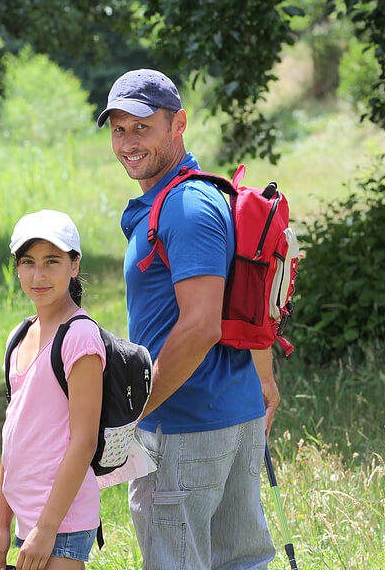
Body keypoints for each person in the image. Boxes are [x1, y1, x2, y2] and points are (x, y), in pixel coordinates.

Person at [96, 69, 279, 569]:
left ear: (178, 124)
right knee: (240, 562)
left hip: (185, 425)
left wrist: (134, 410)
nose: (128, 142)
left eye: (142, 127)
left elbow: (201, 325)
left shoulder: (186, 208)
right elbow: (242, 296)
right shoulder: (192, 196)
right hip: (231, 415)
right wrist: (264, 381)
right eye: (118, 128)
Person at [0, 210, 106, 570]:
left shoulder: (80, 337)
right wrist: (0, 526)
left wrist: (47, 528)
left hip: (60, 521)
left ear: (74, 264)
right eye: (28, 263)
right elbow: (13, 436)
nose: (38, 275)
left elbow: (84, 441)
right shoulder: (20, 334)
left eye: (52, 261)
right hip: (28, 518)